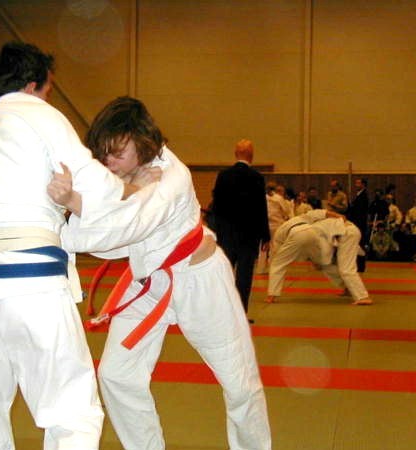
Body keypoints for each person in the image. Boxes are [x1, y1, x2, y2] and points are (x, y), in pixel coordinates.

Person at [0, 41, 139, 450]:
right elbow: (96, 184)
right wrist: (131, 190)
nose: (49, 96)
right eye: (49, 88)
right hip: (33, 281)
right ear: (34, 85)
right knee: (72, 413)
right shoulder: (41, 116)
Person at [49, 97, 271, 450]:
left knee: (240, 384)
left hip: (200, 281)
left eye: (117, 153)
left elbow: (123, 228)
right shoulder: (118, 174)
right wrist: (122, 190)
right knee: (117, 375)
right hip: (149, 282)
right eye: (103, 154)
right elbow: (108, 242)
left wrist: (75, 202)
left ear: (142, 141)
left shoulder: (172, 176)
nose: (109, 162)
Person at [210, 139, 270, 312]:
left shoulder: (223, 176)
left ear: (235, 154)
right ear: (252, 156)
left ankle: (223, 311)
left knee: (225, 273)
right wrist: (265, 236)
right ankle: (241, 313)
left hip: (226, 234)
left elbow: (216, 206)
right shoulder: (257, 177)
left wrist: (214, 231)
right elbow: (261, 208)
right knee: (244, 275)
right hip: (249, 236)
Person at [265, 209, 373, 306]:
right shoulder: (304, 219)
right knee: (325, 264)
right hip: (317, 234)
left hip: (345, 234)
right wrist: (339, 216)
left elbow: (278, 257)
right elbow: (323, 213)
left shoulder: (279, 234)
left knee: (277, 263)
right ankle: (347, 288)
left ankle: (362, 297)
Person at [346, 177, 369, 272]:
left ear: (363, 185)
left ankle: (361, 266)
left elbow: (360, 212)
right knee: (357, 244)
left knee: (360, 244)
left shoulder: (364, 196)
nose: (356, 185)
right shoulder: (359, 195)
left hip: (360, 224)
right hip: (357, 223)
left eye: (358, 183)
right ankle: (358, 265)